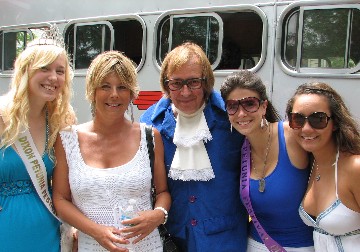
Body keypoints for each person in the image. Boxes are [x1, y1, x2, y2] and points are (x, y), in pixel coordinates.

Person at [52, 50, 171, 252]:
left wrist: (158, 214)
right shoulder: (67, 140)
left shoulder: (150, 137)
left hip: (146, 246)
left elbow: (163, 192)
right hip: (91, 246)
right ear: (92, 90)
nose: (114, 94)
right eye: (105, 86)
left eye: (122, 87)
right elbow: (60, 199)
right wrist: (96, 231)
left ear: (132, 93)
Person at [140, 42, 248, 251]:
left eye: (194, 82)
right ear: (166, 84)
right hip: (173, 239)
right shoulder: (150, 123)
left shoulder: (232, 117)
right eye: (177, 83)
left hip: (225, 241)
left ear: (206, 82)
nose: (185, 92)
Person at [0, 25, 76, 251]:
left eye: (60, 71)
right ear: (26, 71)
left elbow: (68, 181)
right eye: (44, 68)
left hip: (48, 228)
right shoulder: (2, 115)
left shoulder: (62, 119)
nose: (53, 77)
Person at [220, 70, 314, 251]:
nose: (241, 113)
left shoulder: (292, 134)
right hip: (254, 244)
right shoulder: (238, 148)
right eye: (232, 106)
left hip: (300, 246)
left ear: (264, 106)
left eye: (249, 104)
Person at [286, 82, 360, 251]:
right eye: (297, 119)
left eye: (318, 119)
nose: (306, 128)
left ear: (335, 123)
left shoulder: (355, 168)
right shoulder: (312, 165)